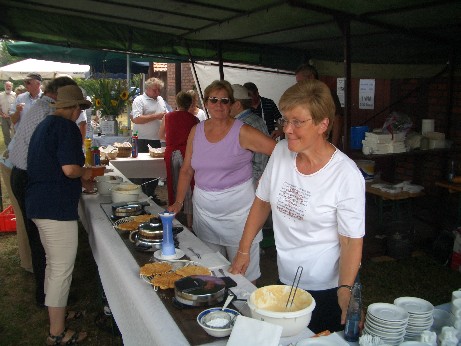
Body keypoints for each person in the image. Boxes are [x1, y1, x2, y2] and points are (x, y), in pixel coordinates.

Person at [230, 80, 365, 333]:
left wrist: (345, 290)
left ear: (323, 124)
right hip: (286, 278)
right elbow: (262, 202)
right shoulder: (281, 153)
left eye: (297, 122)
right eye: (285, 120)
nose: (287, 129)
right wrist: (244, 250)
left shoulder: (345, 175)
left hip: (327, 288)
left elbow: (351, 241)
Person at [168, 80, 276, 283]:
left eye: (224, 101)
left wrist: (267, 178)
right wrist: (179, 202)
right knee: (210, 272)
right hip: (205, 214)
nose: (218, 105)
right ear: (206, 102)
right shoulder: (196, 131)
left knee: (243, 274)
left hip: (239, 215)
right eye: (213, 100)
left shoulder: (242, 130)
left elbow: (278, 151)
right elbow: (186, 170)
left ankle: (245, 310)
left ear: (232, 105)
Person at [27, 85, 92, 345]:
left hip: (39, 202)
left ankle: (58, 313)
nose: (79, 113)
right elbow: (69, 169)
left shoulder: (45, 124)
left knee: (53, 266)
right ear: (75, 108)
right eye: (80, 109)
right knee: (60, 270)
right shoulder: (67, 128)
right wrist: (86, 173)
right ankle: (57, 333)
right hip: (54, 207)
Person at [9, 76, 77, 307]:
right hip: (28, 176)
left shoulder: (41, 107)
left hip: (23, 173)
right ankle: (46, 296)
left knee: (42, 241)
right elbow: (59, 162)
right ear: (59, 95)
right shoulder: (48, 114)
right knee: (41, 243)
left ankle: (48, 293)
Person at [159, 91, 199, 228]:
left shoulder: (167, 117)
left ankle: (172, 219)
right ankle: (189, 223)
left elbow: (161, 135)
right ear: (190, 104)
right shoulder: (194, 119)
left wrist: (171, 141)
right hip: (186, 153)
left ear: (177, 102)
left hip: (171, 153)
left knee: (173, 185)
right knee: (188, 187)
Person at [131, 77, 168, 205]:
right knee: (143, 168)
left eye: (159, 90)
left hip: (156, 139)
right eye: (155, 90)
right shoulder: (139, 100)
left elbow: (166, 115)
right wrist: (156, 116)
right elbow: (136, 118)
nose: (157, 92)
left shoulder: (161, 100)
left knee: (155, 169)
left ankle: (151, 194)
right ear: (147, 89)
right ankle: (143, 195)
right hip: (141, 138)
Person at [230, 84, 270, 187]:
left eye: (227, 101)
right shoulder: (256, 119)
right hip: (255, 181)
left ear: (237, 105)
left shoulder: (241, 125)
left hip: (247, 184)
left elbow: (258, 164)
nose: (223, 106)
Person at [295, 63, 343, 148]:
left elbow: (337, 119)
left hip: (326, 143)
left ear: (311, 77)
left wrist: (334, 146)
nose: (299, 85)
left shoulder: (327, 94)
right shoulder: (303, 96)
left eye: (301, 82)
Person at [0, 81, 16, 146]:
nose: (8, 87)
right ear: (4, 86)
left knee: (14, 133)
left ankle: (14, 148)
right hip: (3, 117)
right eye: (7, 86)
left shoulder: (15, 95)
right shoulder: (0, 95)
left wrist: (10, 115)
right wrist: (2, 114)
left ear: (12, 87)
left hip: (12, 117)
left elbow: (17, 107)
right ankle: (8, 149)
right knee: (6, 134)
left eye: (9, 86)